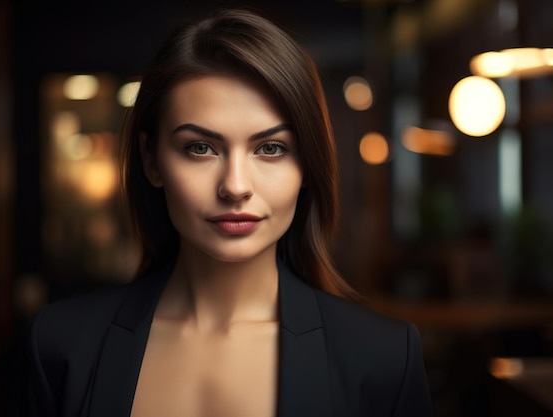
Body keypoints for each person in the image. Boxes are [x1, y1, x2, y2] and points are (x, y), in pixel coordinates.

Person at [25, 9, 432, 417]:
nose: (235, 186)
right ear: (152, 161)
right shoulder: (63, 346)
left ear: (308, 165)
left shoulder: (383, 360)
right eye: (200, 148)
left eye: (270, 149)